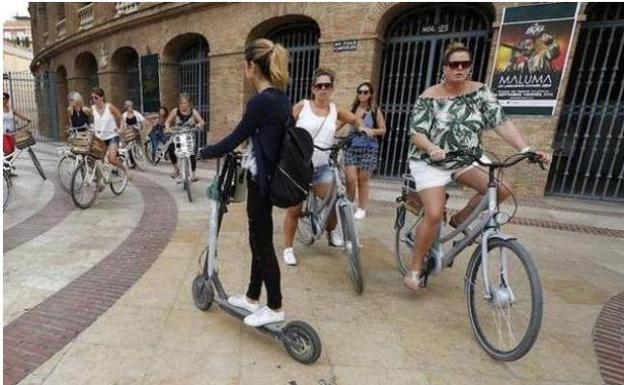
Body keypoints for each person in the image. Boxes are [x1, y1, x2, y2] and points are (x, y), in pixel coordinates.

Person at [404, 42, 551, 291]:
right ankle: (415, 269)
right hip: (430, 160)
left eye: (465, 64)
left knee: (502, 188)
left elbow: (501, 123)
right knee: (433, 213)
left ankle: (460, 219)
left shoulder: (481, 92)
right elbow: (416, 133)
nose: (460, 68)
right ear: (445, 68)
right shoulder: (429, 96)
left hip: (465, 157)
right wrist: (431, 148)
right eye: (454, 64)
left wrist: (525, 149)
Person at [198, 38, 290, 327]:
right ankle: (252, 297)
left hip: (262, 182)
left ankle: (274, 306)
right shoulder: (280, 97)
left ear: (253, 66)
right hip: (266, 178)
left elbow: (235, 137)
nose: (243, 69)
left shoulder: (261, 101)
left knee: (262, 243)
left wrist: (204, 151)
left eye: (245, 64)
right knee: (258, 238)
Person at [281, 68, 367, 266]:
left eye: (327, 85)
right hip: (300, 166)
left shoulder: (335, 110)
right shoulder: (303, 106)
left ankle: (331, 233)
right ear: (313, 89)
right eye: (319, 85)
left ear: (332, 88)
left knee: (334, 201)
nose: (323, 89)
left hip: (321, 167)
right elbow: (285, 124)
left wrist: (362, 127)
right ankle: (288, 248)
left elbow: (354, 119)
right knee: (294, 209)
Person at [344, 82, 387, 220]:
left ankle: (362, 208)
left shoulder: (375, 110)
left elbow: (383, 130)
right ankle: (349, 205)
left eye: (365, 92)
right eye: (360, 91)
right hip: (351, 147)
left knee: (363, 180)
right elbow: (341, 122)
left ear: (370, 94)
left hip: (368, 148)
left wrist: (371, 131)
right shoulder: (353, 109)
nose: (362, 94)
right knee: (350, 179)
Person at [165, 94, 205, 181]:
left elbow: (202, 121)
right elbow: (167, 122)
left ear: (189, 104)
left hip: (189, 136)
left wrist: (199, 125)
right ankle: (176, 168)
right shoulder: (175, 111)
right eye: (182, 103)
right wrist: (168, 128)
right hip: (178, 136)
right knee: (171, 148)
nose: (183, 105)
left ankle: (193, 174)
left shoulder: (193, 112)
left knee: (191, 153)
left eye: (185, 103)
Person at [89, 87, 128, 175]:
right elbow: (93, 122)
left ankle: (124, 169)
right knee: (96, 158)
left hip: (112, 136)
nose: (94, 100)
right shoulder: (92, 109)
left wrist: (121, 128)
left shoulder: (109, 107)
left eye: (96, 97)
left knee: (112, 159)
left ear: (102, 97)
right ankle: (102, 178)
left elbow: (121, 118)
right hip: (100, 138)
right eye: (92, 98)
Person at [3, 92, 31, 175]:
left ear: (7, 99)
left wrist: (27, 119)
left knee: (11, 151)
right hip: (3, 134)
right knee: (8, 150)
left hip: (11, 133)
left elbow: (19, 115)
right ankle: (5, 168)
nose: (2, 100)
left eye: (3, 98)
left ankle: (7, 169)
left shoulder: (11, 109)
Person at [120, 100, 146, 169]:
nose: (130, 107)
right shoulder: (124, 115)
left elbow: (143, 120)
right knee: (128, 147)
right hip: (128, 132)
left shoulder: (136, 113)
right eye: (128, 106)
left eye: (131, 106)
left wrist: (142, 128)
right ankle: (132, 162)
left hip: (136, 131)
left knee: (140, 143)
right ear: (126, 107)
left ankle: (142, 154)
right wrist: (122, 130)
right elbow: (122, 125)